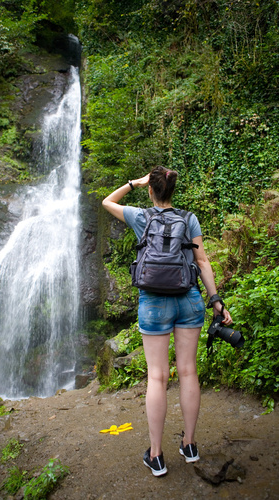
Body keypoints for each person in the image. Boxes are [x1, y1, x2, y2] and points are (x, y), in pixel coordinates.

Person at [102, 166, 232, 477]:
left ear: (151, 190)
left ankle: (157, 455)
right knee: (188, 371)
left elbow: (107, 202)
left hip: (153, 302)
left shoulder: (140, 216)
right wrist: (215, 301)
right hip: (188, 299)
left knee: (157, 377)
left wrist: (135, 183)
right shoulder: (189, 219)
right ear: (173, 191)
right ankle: (189, 445)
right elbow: (202, 261)